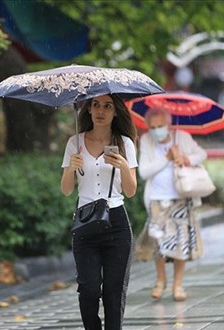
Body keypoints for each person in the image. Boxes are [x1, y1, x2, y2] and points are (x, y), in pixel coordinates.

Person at [61, 94, 138, 330]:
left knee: (114, 294)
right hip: (85, 223)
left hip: (116, 223)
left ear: (116, 112)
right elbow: (65, 190)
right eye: (95, 105)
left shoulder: (125, 143)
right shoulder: (75, 142)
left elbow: (131, 190)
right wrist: (70, 169)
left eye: (107, 106)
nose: (100, 111)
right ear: (88, 110)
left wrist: (124, 166)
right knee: (89, 289)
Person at [136, 107, 207, 302]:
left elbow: (202, 154)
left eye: (160, 126)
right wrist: (165, 158)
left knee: (181, 242)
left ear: (169, 125)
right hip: (157, 199)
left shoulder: (182, 137)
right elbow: (144, 172)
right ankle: (160, 280)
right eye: (153, 126)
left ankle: (178, 284)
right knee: (158, 242)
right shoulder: (146, 141)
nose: (157, 130)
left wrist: (186, 158)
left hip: (181, 197)